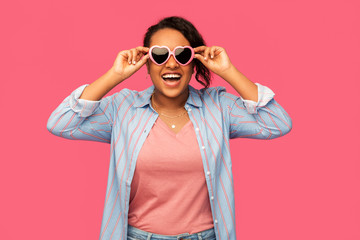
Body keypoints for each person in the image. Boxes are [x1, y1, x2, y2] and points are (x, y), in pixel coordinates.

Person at [47, 16, 292, 240]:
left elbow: (277, 123)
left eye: (182, 55)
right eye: (160, 55)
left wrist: (229, 71)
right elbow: (60, 123)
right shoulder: (121, 109)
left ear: (194, 63)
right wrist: (115, 75)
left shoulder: (219, 107)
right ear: (147, 64)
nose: (172, 64)